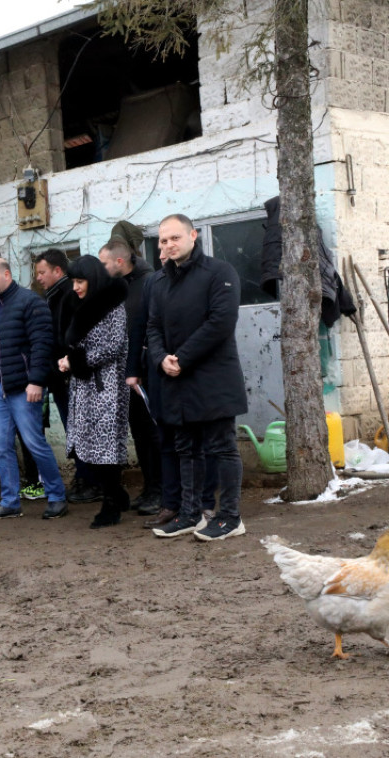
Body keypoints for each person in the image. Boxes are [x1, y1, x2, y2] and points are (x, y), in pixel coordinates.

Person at [147, 214, 248, 541]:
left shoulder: (219, 273)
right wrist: (161, 358)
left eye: (174, 238)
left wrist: (182, 358)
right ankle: (190, 514)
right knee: (186, 448)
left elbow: (220, 322)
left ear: (192, 235)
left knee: (222, 447)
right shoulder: (160, 281)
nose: (168, 245)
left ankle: (230, 517)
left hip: (212, 377)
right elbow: (152, 327)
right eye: (163, 241)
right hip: (176, 381)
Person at [0, 257, 67, 520]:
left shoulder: (30, 302)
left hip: (24, 387)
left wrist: (36, 381)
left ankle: (57, 496)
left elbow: (42, 344)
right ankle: (10, 502)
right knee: (1, 445)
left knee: (34, 443)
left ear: (7, 275)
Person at [58, 255, 130, 528]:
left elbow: (113, 346)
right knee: (85, 446)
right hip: (83, 385)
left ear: (93, 278)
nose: (75, 287)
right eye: (73, 281)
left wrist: (74, 361)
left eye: (80, 281)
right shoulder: (77, 303)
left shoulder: (113, 305)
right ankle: (118, 494)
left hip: (107, 385)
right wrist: (67, 358)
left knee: (105, 447)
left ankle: (111, 504)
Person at [98, 233, 163, 515]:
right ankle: (150, 488)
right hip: (128, 372)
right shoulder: (118, 286)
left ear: (120, 261)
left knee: (152, 431)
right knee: (139, 431)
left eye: (104, 263)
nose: (101, 269)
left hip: (148, 370)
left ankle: (161, 490)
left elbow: (150, 326)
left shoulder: (148, 282)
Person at [31, 248, 100, 505]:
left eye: (42, 272)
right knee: (74, 429)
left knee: (79, 429)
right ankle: (85, 479)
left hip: (69, 375)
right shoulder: (52, 296)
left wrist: (67, 363)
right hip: (59, 375)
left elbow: (72, 336)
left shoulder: (68, 296)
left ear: (57, 271)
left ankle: (90, 481)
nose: (38, 277)